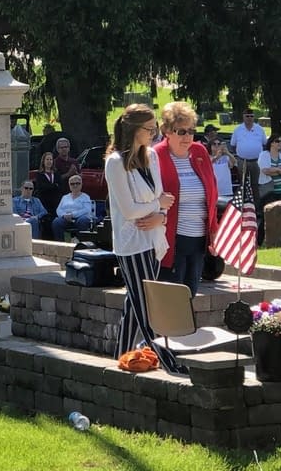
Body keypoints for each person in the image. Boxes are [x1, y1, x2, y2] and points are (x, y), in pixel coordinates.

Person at [104, 103, 179, 373]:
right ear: (135, 130)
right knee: (147, 304)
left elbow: (161, 201)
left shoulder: (151, 158)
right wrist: (157, 206)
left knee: (133, 308)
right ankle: (169, 363)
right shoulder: (115, 163)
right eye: (150, 129)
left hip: (153, 239)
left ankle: (120, 359)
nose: (154, 134)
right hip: (132, 244)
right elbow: (129, 210)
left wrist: (160, 214)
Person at [153, 102, 219, 297]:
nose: (188, 137)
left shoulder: (200, 152)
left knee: (190, 295)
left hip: (198, 240)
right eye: (181, 132)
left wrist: (214, 232)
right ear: (167, 131)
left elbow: (212, 194)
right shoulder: (155, 155)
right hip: (171, 240)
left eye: (191, 131)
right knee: (172, 300)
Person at [229, 108, 266, 191]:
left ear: (254, 117)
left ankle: (256, 203)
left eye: (251, 116)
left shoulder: (260, 129)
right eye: (247, 116)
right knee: (243, 184)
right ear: (243, 117)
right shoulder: (237, 130)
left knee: (256, 184)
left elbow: (264, 144)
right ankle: (244, 202)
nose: (249, 118)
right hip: (242, 161)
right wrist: (240, 155)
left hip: (257, 161)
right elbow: (233, 145)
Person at [52, 174, 94, 241]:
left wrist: (72, 214)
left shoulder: (85, 197)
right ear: (69, 186)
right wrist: (64, 215)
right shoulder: (65, 197)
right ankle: (60, 244)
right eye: (72, 184)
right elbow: (58, 210)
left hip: (80, 218)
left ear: (81, 184)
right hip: (66, 219)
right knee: (56, 222)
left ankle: (80, 242)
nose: (75, 185)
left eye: (77, 183)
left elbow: (87, 210)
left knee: (83, 220)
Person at [34, 151, 61, 239]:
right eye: (47, 159)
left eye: (51, 159)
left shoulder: (56, 173)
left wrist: (51, 187)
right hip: (44, 202)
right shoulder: (40, 174)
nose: (49, 161)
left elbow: (60, 186)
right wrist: (53, 186)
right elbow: (42, 188)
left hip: (55, 203)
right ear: (43, 161)